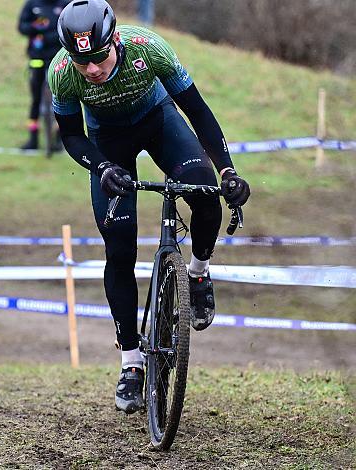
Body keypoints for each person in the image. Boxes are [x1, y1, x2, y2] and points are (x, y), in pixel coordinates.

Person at [48, 0, 250, 414]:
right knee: (119, 248)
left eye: (99, 58)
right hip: (108, 143)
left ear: (115, 40)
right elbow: (70, 135)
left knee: (205, 191)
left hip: (159, 121)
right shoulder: (61, 73)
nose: (91, 70)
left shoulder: (149, 48)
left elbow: (197, 111)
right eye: (81, 61)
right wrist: (101, 166)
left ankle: (197, 273)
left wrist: (228, 171)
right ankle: (131, 363)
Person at [17, 0, 69, 150]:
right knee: (36, 99)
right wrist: (36, 27)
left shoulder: (65, 4)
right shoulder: (32, 4)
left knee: (61, 98)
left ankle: (60, 139)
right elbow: (22, 27)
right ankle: (33, 139)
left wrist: (49, 35)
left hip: (59, 60)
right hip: (37, 59)